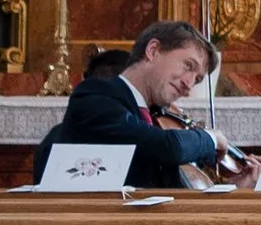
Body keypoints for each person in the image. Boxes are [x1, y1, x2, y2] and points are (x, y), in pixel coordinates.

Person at [32, 20, 229, 190]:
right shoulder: (94, 96)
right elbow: (168, 147)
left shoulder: (155, 116)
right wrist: (211, 138)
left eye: (197, 79)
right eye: (188, 65)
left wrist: (236, 185)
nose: (189, 84)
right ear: (153, 51)